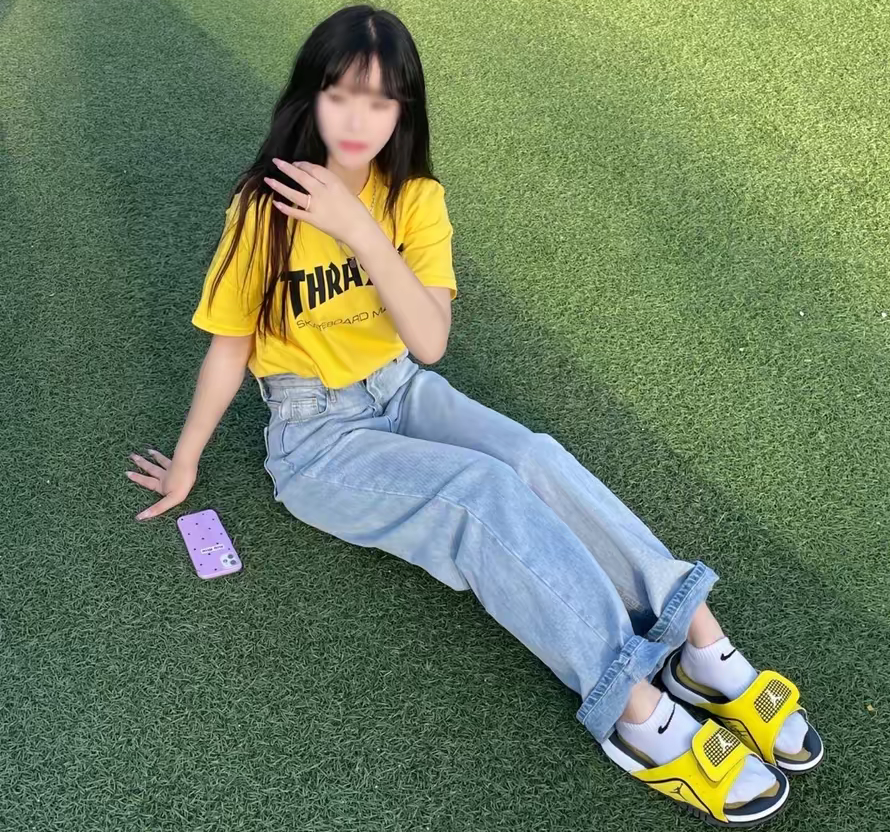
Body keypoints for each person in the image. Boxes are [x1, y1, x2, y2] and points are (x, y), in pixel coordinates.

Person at [126, 4, 822, 825]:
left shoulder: (414, 200)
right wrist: (187, 461)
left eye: (380, 101)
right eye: (341, 94)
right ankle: (634, 707)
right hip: (316, 437)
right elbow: (230, 346)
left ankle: (699, 643)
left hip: (402, 388)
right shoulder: (263, 209)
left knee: (532, 459)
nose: (357, 120)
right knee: (478, 494)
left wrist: (359, 231)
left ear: (404, 111)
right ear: (310, 96)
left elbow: (428, 344)